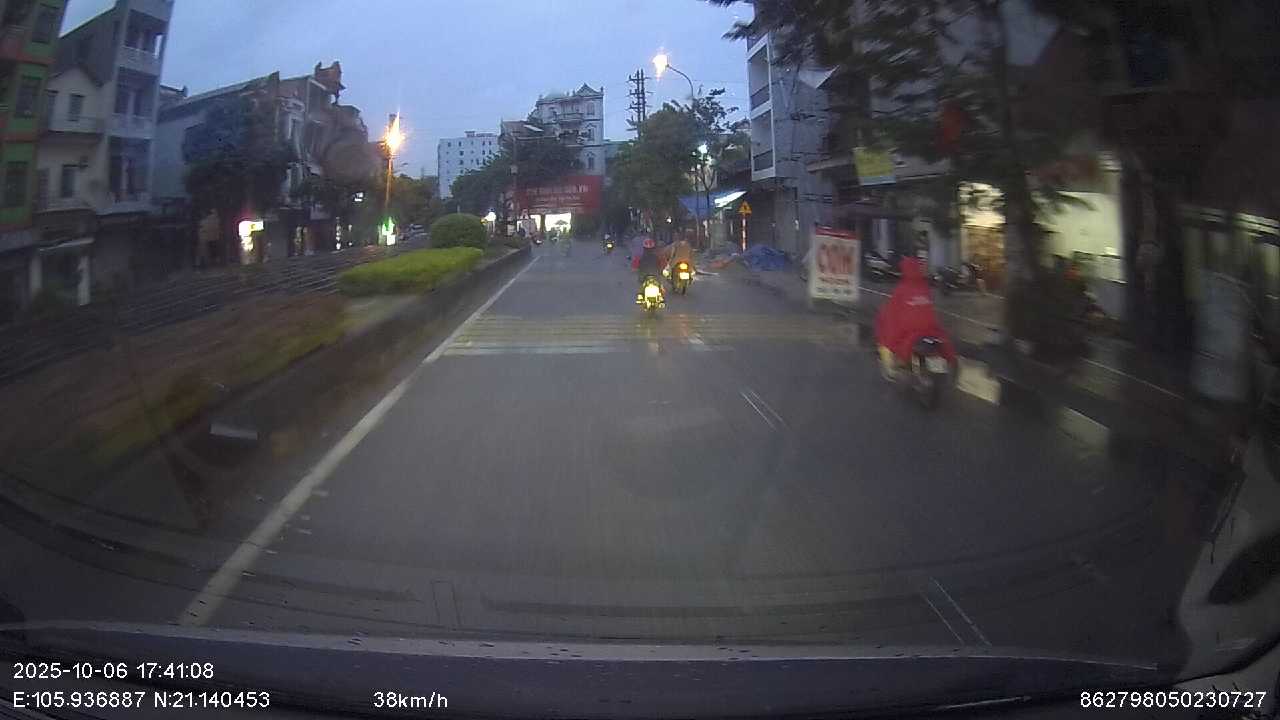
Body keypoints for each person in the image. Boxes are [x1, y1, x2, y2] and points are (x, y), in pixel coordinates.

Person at [873, 256, 956, 372]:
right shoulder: (924, 288)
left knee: (889, 338)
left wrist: (883, 317)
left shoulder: (902, 289)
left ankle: (894, 365)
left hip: (909, 329)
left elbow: (891, 310)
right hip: (930, 328)